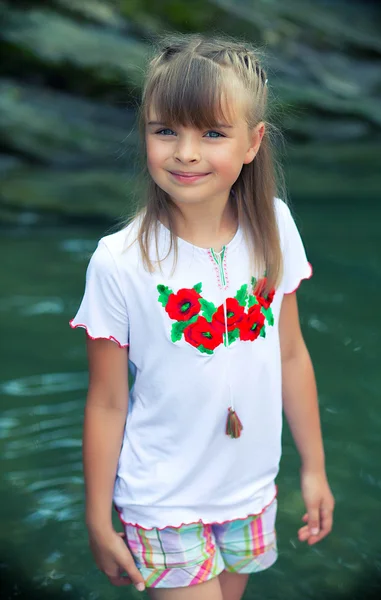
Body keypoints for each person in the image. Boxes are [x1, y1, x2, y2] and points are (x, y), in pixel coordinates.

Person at [70, 33, 334, 600]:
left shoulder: (275, 227)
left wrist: (313, 468)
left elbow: (290, 353)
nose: (185, 152)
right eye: (166, 130)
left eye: (212, 133)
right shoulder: (119, 260)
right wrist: (97, 519)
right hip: (163, 498)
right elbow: (108, 400)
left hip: (250, 490)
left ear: (252, 142)